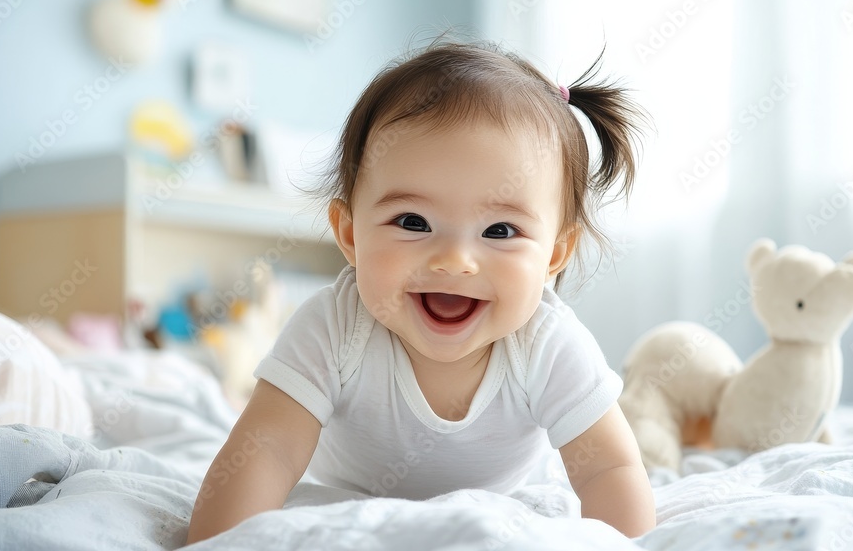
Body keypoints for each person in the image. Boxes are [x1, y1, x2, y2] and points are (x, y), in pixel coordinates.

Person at [187, 39, 656, 544]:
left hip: (497, 502)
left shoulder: (547, 344)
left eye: (499, 231)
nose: (454, 260)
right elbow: (268, 449)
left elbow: (608, 469)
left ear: (555, 256)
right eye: (413, 221)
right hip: (349, 494)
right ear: (349, 235)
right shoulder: (334, 326)